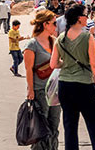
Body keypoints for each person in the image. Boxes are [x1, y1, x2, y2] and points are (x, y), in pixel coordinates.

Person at [50, 4, 95, 150]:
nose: (87, 17)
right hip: (84, 86)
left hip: (65, 85)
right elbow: (94, 64)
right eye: (85, 15)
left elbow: (53, 64)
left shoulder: (61, 38)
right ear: (78, 19)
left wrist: (67, 63)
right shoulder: (87, 37)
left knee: (70, 127)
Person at [24, 10, 61, 150]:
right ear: (45, 24)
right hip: (40, 91)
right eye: (53, 23)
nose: (55, 26)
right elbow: (28, 69)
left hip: (55, 92)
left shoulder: (54, 41)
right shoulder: (32, 45)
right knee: (40, 128)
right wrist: (31, 90)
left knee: (54, 126)